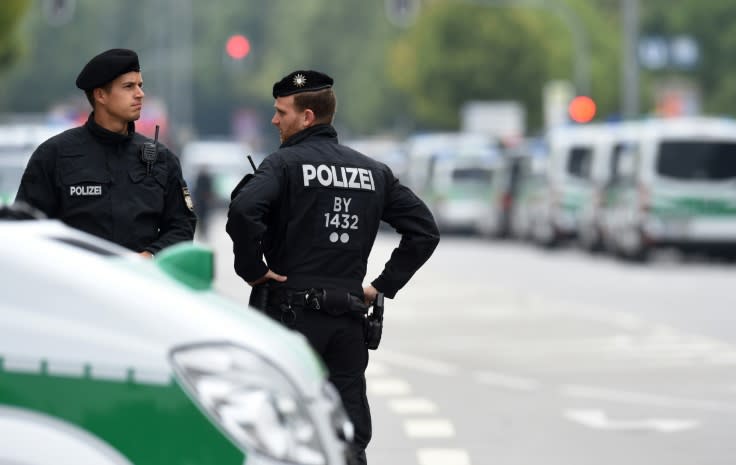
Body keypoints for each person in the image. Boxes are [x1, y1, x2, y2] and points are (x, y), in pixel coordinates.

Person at [226, 70, 440, 464]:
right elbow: (424, 231)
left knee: (281, 430)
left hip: (289, 319)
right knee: (347, 437)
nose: (274, 120)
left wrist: (253, 269)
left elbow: (243, 211)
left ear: (307, 117)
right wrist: (379, 286)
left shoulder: (283, 165)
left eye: (281, 112)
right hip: (348, 322)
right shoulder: (373, 172)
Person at [16, 48, 196, 256]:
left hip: (140, 284)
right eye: (129, 86)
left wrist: (150, 256)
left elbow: (182, 226)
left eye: (140, 85)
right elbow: (25, 227)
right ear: (100, 94)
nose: (140, 94)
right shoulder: (54, 155)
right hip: (73, 284)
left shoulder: (161, 159)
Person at [192, 165, 214, 240]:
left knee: (204, 218)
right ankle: (202, 232)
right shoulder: (200, 179)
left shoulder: (205, 179)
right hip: (200, 202)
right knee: (201, 218)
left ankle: (204, 232)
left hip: (204, 202)